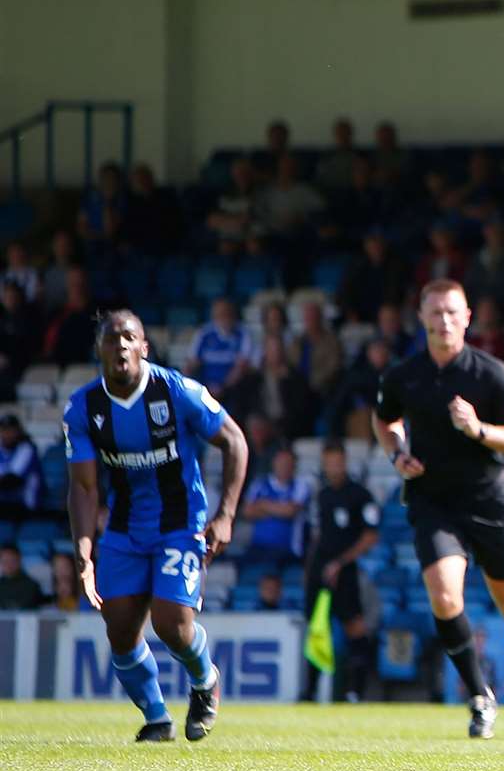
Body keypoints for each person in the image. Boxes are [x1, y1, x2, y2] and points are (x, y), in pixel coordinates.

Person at [373, 279, 504, 740]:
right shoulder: (404, 375)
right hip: (434, 501)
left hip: (489, 499)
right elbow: (385, 417)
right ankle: (479, 697)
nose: (444, 320)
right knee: (444, 595)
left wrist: (478, 430)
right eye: (435, 312)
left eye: (452, 312)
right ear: (422, 317)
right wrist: (396, 453)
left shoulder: (492, 375)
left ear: (468, 317)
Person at [62, 310, 250, 742]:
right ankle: (156, 718)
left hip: (180, 524)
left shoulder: (177, 391)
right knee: (120, 628)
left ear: (144, 347)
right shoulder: (83, 408)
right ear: (100, 349)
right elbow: (84, 488)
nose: (121, 345)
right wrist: (84, 553)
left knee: (171, 624)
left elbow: (235, 441)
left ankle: (205, 682)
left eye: (130, 338)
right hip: (125, 530)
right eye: (112, 339)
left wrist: (225, 516)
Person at [302, 441, 381, 703]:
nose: (333, 468)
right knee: (317, 627)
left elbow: (370, 536)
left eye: (338, 462)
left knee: (354, 626)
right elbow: (317, 536)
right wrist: (312, 569)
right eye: (329, 463)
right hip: (321, 571)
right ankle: (311, 692)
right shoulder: (322, 496)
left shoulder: (359, 495)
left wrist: (341, 562)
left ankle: (355, 691)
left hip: (346, 572)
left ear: (345, 463)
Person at [241, 446, 311, 567]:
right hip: (258, 547)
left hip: (287, 550)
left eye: (288, 463)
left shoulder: (300, 485)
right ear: (274, 463)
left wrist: (262, 504)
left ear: (294, 465)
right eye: (281, 462)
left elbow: (289, 511)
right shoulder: (260, 483)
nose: (284, 466)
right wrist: (278, 509)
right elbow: (247, 511)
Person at [184, 298, 259, 398]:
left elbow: (242, 365)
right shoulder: (204, 333)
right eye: (219, 313)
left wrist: (223, 387)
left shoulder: (242, 333)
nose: (224, 317)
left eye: (226, 312)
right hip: (204, 388)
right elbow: (192, 362)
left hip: (231, 388)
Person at [0, 414, 44, 523]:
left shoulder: (26, 448)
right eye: (4, 430)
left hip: (26, 505)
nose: (7, 434)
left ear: (18, 432)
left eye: (11, 431)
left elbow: (12, 481)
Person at [0, 543, 44, 609]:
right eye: (5, 561)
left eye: (12, 561)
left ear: (19, 560)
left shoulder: (32, 585)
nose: (8, 565)